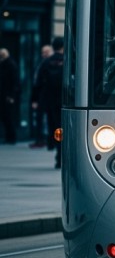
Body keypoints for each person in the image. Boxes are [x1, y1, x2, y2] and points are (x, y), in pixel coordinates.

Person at [36, 37, 64, 168]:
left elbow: (39, 82)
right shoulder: (68, 61)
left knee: (55, 127)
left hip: (50, 100)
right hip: (65, 100)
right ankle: (63, 154)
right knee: (64, 128)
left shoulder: (46, 62)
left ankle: (57, 153)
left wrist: (36, 99)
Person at [29, 45, 53, 148]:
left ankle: (45, 139)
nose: (44, 54)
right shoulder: (42, 64)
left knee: (47, 119)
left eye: (46, 52)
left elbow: (38, 83)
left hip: (46, 96)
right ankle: (44, 139)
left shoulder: (46, 64)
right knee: (43, 118)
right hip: (43, 96)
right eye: (43, 52)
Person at [0, 48, 19, 144]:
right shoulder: (6, 64)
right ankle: (9, 136)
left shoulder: (10, 65)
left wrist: (12, 96)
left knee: (8, 117)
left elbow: (14, 82)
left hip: (8, 95)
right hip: (5, 94)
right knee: (6, 116)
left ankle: (11, 137)